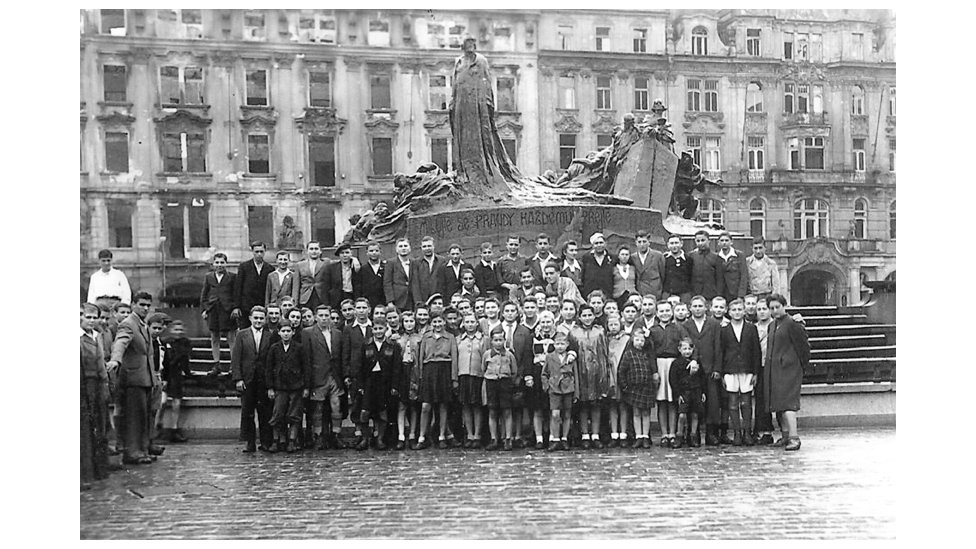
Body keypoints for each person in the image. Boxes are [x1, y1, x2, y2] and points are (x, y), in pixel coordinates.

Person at [450, 36, 519, 190]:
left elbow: (486, 81)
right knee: (463, 136)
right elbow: (455, 83)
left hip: (476, 104)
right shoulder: (459, 62)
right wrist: (453, 101)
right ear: (463, 46)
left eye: (473, 44)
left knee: (481, 136)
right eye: (467, 44)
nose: (470, 46)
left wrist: (488, 101)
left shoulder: (481, 60)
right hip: (462, 104)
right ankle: (463, 170)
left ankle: (482, 170)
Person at [107, 291, 158, 465]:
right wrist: (115, 359)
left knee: (142, 417)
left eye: (148, 305)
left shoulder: (142, 325)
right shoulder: (128, 324)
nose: (145, 308)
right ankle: (132, 452)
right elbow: (120, 342)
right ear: (134, 304)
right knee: (134, 417)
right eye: (142, 304)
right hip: (133, 378)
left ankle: (141, 450)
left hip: (145, 377)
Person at [763, 294, 809, 451]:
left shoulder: (793, 323)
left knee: (788, 403)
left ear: (784, 306)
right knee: (779, 403)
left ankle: (794, 437)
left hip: (789, 369)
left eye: (778, 307)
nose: (775, 310)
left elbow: (803, 347)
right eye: (772, 308)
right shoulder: (772, 325)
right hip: (775, 369)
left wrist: (799, 366)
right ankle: (785, 435)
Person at [302, 305, 346, 450]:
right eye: (321, 315)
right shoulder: (308, 333)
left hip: (334, 376)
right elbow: (307, 358)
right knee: (318, 408)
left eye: (327, 315)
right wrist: (308, 382)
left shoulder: (337, 333)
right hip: (318, 376)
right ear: (315, 317)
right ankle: (319, 436)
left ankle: (336, 435)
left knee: (336, 405)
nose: (324, 318)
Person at [231, 306, 274, 453]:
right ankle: (249, 442)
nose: (258, 321)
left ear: (265, 319)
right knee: (247, 411)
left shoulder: (270, 335)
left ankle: (266, 442)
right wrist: (238, 378)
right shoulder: (242, 335)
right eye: (256, 318)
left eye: (261, 318)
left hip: (263, 380)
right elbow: (236, 358)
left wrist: (271, 383)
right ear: (250, 318)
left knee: (265, 412)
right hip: (247, 379)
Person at [682, 295, 723, 446]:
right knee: (695, 403)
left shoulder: (713, 324)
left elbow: (718, 347)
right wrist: (692, 360)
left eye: (700, 306)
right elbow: (687, 344)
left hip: (710, 367)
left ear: (706, 307)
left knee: (712, 402)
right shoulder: (686, 325)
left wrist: (717, 368)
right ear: (690, 308)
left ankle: (712, 433)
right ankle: (694, 433)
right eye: (695, 306)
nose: (698, 309)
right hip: (693, 369)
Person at [648, 301, 690, 447]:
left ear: (671, 312)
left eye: (667, 310)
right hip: (659, 364)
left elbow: (686, 344)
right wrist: (654, 371)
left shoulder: (678, 328)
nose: (664, 313)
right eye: (661, 311)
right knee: (661, 401)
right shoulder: (653, 330)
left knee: (672, 401)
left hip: (674, 364)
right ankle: (664, 433)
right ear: (657, 313)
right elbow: (651, 352)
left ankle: (673, 433)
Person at [568, 304, 610, 449]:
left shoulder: (600, 331)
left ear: (594, 316)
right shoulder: (574, 333)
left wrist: (605, 374)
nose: (587, 318)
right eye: (584, 315)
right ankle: (585, 434)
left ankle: (595, 434)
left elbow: (605, 353)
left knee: (596, 405)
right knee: (583, 405)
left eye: (589, 315)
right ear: (579, 317)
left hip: (597, 371)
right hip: (581, 372)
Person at [416, 314, 458, 449]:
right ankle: (422, 437)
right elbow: (420, 358)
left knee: (443, 405)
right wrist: (421, 376)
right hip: (429, 371)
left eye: (440, 321)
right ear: (431, 323)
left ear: (444, 322)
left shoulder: (450, 338)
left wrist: (454, 378)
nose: (437, 324)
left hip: (444, 370)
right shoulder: (426, 337)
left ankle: (442, 436)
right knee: (425, 406)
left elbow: (454, 358)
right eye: (435, 321)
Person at [265, 323, 309, 453]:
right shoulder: (274, 348)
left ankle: (292, 441)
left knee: (294, 415)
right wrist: (270, 387)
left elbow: (306, 368)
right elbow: (268, 369)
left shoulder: (299, 348)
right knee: (278, 414)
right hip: (280, 387)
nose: (286, 333)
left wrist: (306, 387)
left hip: (296, 387)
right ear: (278, 332)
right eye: (283, 331)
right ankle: (276, 441)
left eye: (288, 331)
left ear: (293, 332)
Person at [358, 318, 400, 450]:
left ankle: (380, 438)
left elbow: (396, 368)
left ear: (386, 329)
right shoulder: (366, 344)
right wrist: (360, 385)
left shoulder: (393, 346)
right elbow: (360, 366)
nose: (378, 331)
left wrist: (394, 386)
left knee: (382, 411)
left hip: (384, 382)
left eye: (381, 328)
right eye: (375, 329)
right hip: (369, 381)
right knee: (364, 411)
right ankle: (365, 438)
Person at [81, 303, 110, 488]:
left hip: (96, 385)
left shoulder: (97, 337)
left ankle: (95, 471)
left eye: (94, 317)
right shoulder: (77, 338)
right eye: (87, 317)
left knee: (97, 427)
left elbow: (100, 363)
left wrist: (105, 384)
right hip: (81, 386)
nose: (91, 321)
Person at [617, 330, 658, 449]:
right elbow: (621, 371)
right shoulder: (628, 354)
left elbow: (652, 368)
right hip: (634, 388)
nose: (639, 343)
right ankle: (638, 436)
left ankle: (645, 436)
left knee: (645, 412)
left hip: (647, 387)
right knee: (636, 412)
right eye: (637, 340)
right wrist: (625, 386)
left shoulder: (648, 354)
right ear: (632, 341)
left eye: (642, 340)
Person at [201, 253, 238, 382]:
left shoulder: (232, 277)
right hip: (213, 310)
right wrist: (205, 309)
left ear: (226, 263)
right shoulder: (208, 277)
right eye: (217, 263)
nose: (219, 265)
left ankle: (233, 367)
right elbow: (204, 295)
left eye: (222, 262)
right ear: (213, 264)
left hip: (227, 310)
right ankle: (217, 365)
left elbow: (236, 293)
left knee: (231, 338)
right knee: (214, 337)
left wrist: (235, 308)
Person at [343, 298, 374, 450]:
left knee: (370, 403)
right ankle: (359, 433)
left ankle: (371, 435)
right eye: (358, 308)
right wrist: (347, 373)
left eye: (364, 307)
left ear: (369, 309)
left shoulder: (373, 326)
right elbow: (346, 352)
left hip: (373, 372)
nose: (361, 311)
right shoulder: (349, 329)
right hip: (355, 372)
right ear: (354, 310)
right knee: (357, 403)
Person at [155, 319, 192, 443]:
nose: (178, 332)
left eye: (180, 330)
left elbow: (185, 359)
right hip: (166, 374)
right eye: (176, 329)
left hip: (176, 376)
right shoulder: (165, 342)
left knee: (176, 403)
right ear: (171, 330)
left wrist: (187, 372)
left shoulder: (185, 343)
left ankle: (174, 428)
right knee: (162, 402)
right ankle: (157, 426)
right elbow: (164, 360)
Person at [541, 331, 578, 451]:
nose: (560, 346)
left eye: (562, 343)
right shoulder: (550, 357)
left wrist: (576, 391)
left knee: (567, 414)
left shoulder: (571, 357)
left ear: (567, 344)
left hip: (568, 388)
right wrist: (547, 386)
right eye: (557, 344)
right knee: (555, 414)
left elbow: (576, 375)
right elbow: (544, 373)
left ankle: (564, 438)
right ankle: (555, 439)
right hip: (554, 389)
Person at [483, 328, 518, 451]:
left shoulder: (509, 354)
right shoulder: (487, 354)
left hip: (505, 384)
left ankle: (508, 438)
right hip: (491, 383)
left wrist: (508, 382)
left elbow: (514, 372)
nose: (498, 343)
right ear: (491, 341)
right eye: (495, 340)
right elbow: (484, 368)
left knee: (507, 411)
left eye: (501, 340)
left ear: (505, 340)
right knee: (492, 411)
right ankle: (494, 438)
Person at [456, 313, 486, 448]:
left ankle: (478, 435)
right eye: (467, 322)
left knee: (477, 405)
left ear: (477, 323)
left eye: (472, 321)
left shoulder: (483, 339)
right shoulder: (459, 340)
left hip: (477, 375)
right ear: (463, 324)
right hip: (463, 375)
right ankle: (469, 434)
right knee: (466, 405)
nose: (470, 324)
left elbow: (486, 357)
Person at [669, 338, 705, 448]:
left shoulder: (697, 363)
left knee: (695, 414)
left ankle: (693, 436)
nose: (687, 351)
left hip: (696, 391)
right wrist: (677, 394)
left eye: (689, 349)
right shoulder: (676, 363)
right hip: (684, 392)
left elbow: (702, 378)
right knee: (682, 415)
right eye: (684, 349)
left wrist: (703, 392)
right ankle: (679, 436)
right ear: (679, 349)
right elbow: (673, 380)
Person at [396, 311, 423, 450]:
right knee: (402, 405)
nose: (409, 324)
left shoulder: (420, 338)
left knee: (413, 405)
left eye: (411, 321)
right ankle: (401, 435)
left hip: (414, 371)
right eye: (406, 321)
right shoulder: (397, 338)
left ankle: (412, 434)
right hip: (402, 371)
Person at [234, 241, 274, 329]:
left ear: (265, 252)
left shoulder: (270, 268)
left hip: (262, 306)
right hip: (246, 307)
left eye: (261, 251)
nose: (259, 254)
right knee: (245, 331)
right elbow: (238, 287)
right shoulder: (244, 267)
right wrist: (237, 306)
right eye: (257, 252)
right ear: (252, 252)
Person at [605, 314, 630, 447]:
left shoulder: (626, 338)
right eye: (611, 325)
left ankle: (624, 433)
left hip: (622, 373)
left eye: (616, 324)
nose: (613, 327)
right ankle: (614, 434)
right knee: (612, 405)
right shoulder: (605, 339)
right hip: (610, 375)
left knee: (623, 405)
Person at [753, 298, 776, 444]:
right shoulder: (753, 328)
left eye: (764, 309)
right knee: (761, 398)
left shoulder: (776, 325)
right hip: (759, 366)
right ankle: (763, 430)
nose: (762, 312)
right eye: (759, 309)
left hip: (774, 366)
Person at [325, 243, 361, 311]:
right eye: (342, 253)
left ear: (351, 253)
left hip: (352, 296)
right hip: (338, 297)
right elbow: (326, 285)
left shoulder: (356, 266)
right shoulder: (332, 268)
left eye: (347, 253)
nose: (345, 255)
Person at [410, 236, 444, 306]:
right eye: (424, 246)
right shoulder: (416, 263)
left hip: (438, 299)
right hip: (423, 299)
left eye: (429, 246)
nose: (427, 248)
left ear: (433, 246)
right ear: (421, 248)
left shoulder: (442, 261)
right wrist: (418, 302)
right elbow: (415, 284)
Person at [296, 241, 330, 311]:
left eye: (316, 249)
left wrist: (354, 259)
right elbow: (296, 286)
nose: (314, 251)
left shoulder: (326, 263)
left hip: (321, 297)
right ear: (307, 251)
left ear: (320, 251)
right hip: (305, 297)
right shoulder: (299, 265)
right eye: (311, 249)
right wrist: (295, 302)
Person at [689, 230, 723, 301]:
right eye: (698, 241)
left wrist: (718, 295)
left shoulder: (716, 257)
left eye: (703, 240)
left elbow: (720, 279)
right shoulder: (691, 256)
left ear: (709, 241)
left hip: (711, 294)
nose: (700, 243)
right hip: (695, 294)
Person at [581, 232, 615, 300]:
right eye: (596, 243)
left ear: (605, 243)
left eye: (601, 243)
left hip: (608, 294)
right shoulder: (586, 258)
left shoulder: (612, 258)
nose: (599, 245)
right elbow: (582, 277)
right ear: (592, 245)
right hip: (590, 294)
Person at [716, 232, 749, 302]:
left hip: (736, 293)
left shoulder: (739, 255)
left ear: (731, 242)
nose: (724, 243)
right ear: (718, 243)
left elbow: (744, 276)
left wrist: (741, 295)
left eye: (726, 240)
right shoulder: (716, 257)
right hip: (723, 294)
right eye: (722, 241)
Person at [633, 230, 665, 300]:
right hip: (640, 292)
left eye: (644, 242)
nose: (642, 244)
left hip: (654, 291)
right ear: (636, 243)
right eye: (639, 242)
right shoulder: (633, 257)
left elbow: (663, 274)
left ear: (649, 242)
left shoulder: (658, 255)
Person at [384, 237, 414, 311]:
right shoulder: (391, 263)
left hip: (412, 299)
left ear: (410, 248)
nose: (403, 248)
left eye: (405, 246)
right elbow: (387, 282)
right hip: (398, 300)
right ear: (396, 249)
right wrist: (390, 301)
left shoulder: (414, 262)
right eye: (400, 246)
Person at [662, 234, 693, 303]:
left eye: (676, 243)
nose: (674, 246)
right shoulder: (664, 259)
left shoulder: (688, 259)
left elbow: (691, 276)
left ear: (681, 244)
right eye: (672, 243)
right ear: (668, 245)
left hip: (685, 293)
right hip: (668, 292)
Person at [497, 235, 527, 302]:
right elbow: (498, 279)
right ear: (507, 245)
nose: (513, 247)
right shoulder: (501, 261)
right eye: (511, 244)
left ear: (519, 245)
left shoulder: (524, 260)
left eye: (516, 245)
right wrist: (507, 286)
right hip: (505, 293)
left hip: (522, 292)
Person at [359, 242, 387, 309]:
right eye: (371, 251)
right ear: (367, 253)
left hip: (383, 301)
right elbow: (359, 287)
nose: (374, 253)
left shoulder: (386, 267)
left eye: (376, 251)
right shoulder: (362, 269)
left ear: (380, 252)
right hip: (368, 302)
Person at [611, 245, 638, 309]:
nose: (624, 256)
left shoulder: (633, 268)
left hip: (631, 296)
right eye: (622, 254)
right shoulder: (613, 268)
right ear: (618, 256)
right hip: (617, 296)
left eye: (626, 254)